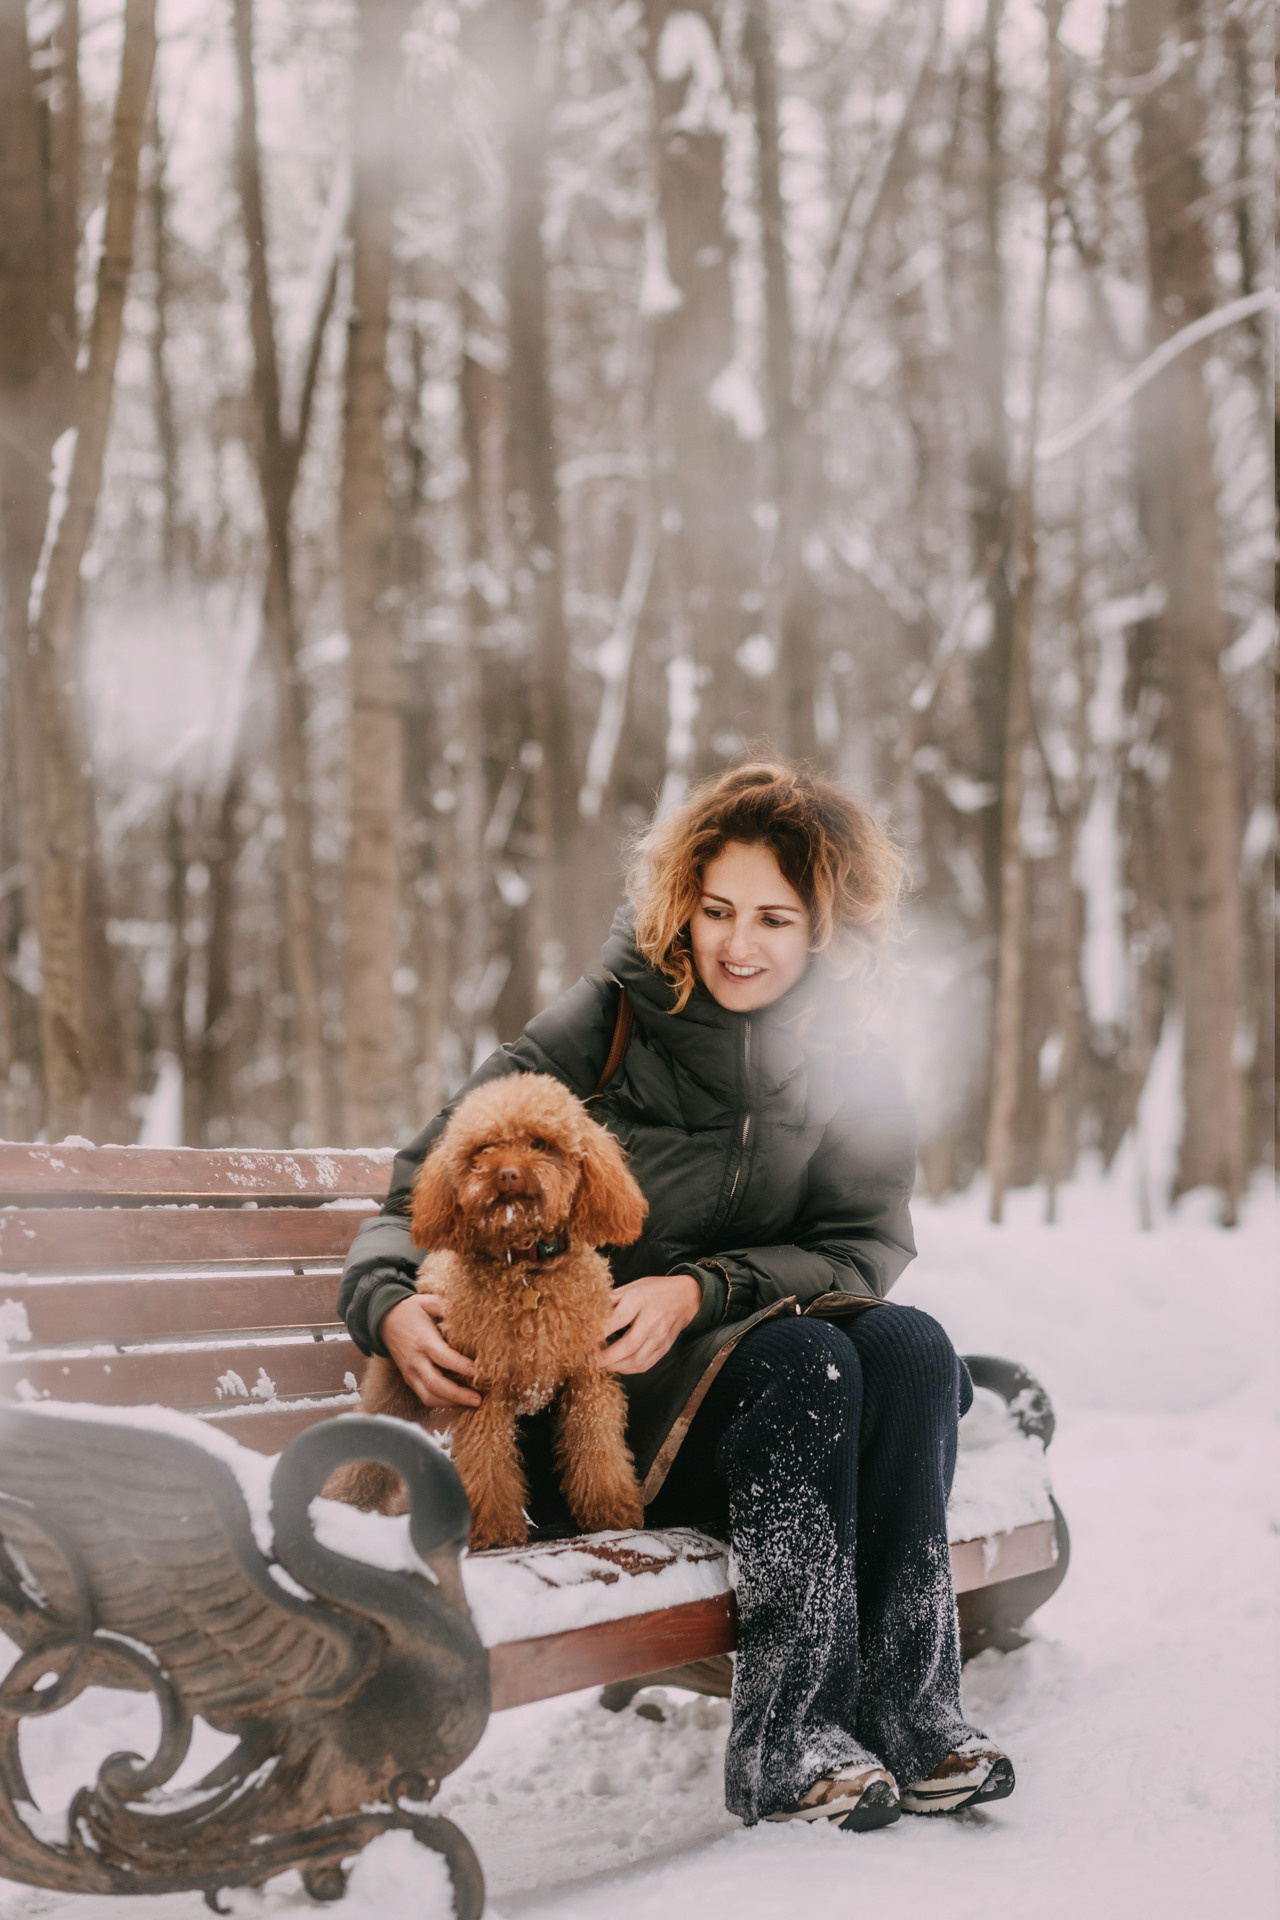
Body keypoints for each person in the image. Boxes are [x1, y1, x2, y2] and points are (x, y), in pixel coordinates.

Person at [338, 760, 1012, 1831]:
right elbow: (421, 1177)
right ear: (679, 904)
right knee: (809, 1364)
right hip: (589, 1424)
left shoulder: (854, 1062)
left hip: (736, 1368)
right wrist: (387, 1302)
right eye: (716, 910)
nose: (737, 945)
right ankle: (784, 1745)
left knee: (911, 1348)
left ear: (825, 932)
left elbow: (862, 1246)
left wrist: (699, 1290)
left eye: (775, 920)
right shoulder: (610, 1016)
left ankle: (914, 1713)